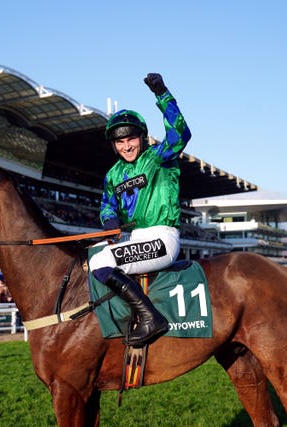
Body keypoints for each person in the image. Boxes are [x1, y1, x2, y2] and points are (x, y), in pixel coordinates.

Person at [89, 73, 191, 346]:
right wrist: (109, 221)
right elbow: (107, 205)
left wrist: (162, 94)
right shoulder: (113, 175)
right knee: (94, 256)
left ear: (142, 137)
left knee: (100, 262)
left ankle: (151, 319)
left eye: (131, 139)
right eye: (120, 142)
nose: (126, 146)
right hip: (134, 240)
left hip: (162, 240)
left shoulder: (159, 157)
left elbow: (181, 133)